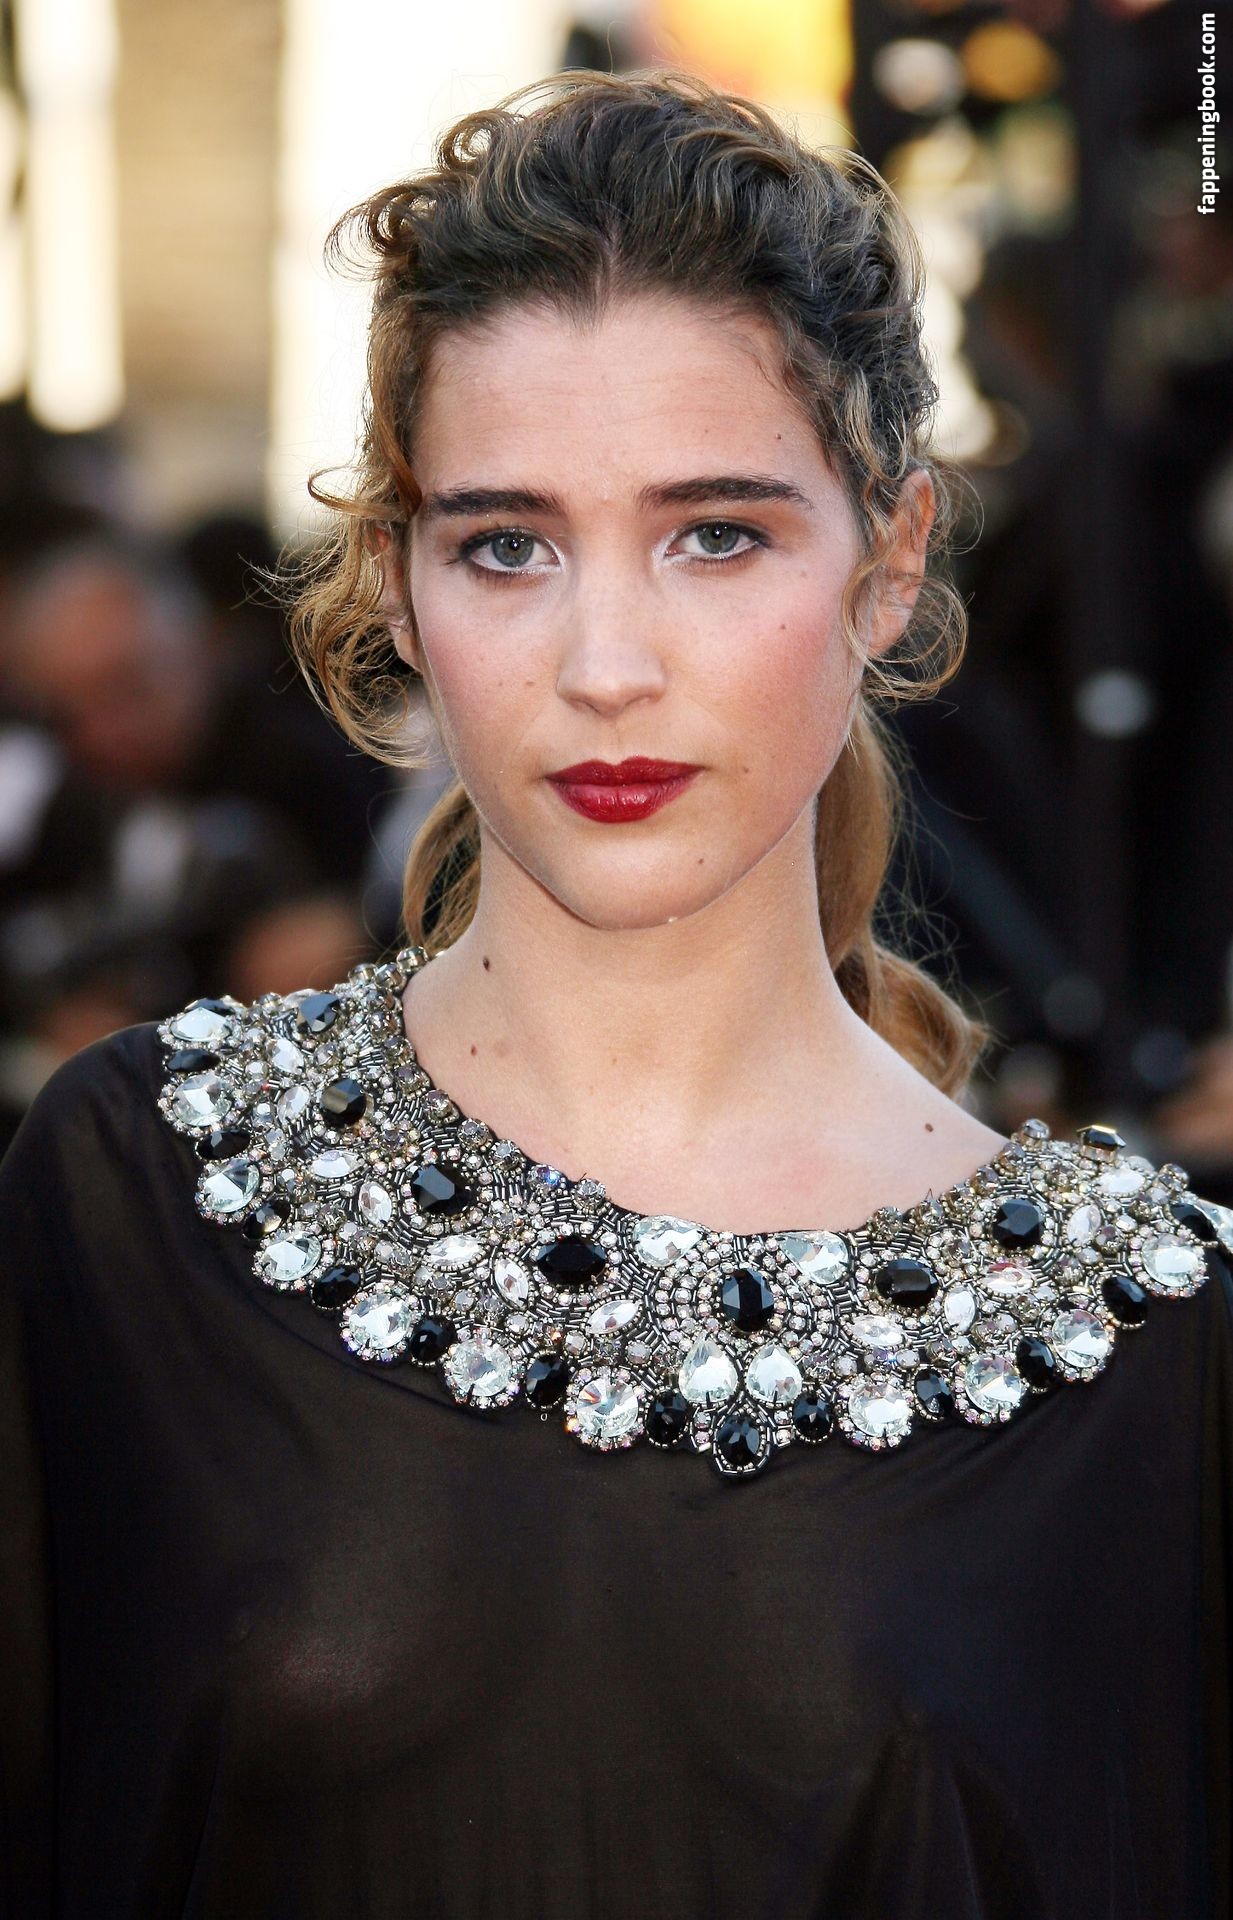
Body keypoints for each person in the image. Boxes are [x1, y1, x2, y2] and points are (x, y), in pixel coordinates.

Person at [2, 67, 1231, 1920]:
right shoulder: (135, 1198)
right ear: (398, 586)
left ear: (889, 563)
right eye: (505, 544)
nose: (603, 664)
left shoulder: (1146, 1351)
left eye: (714, 534)